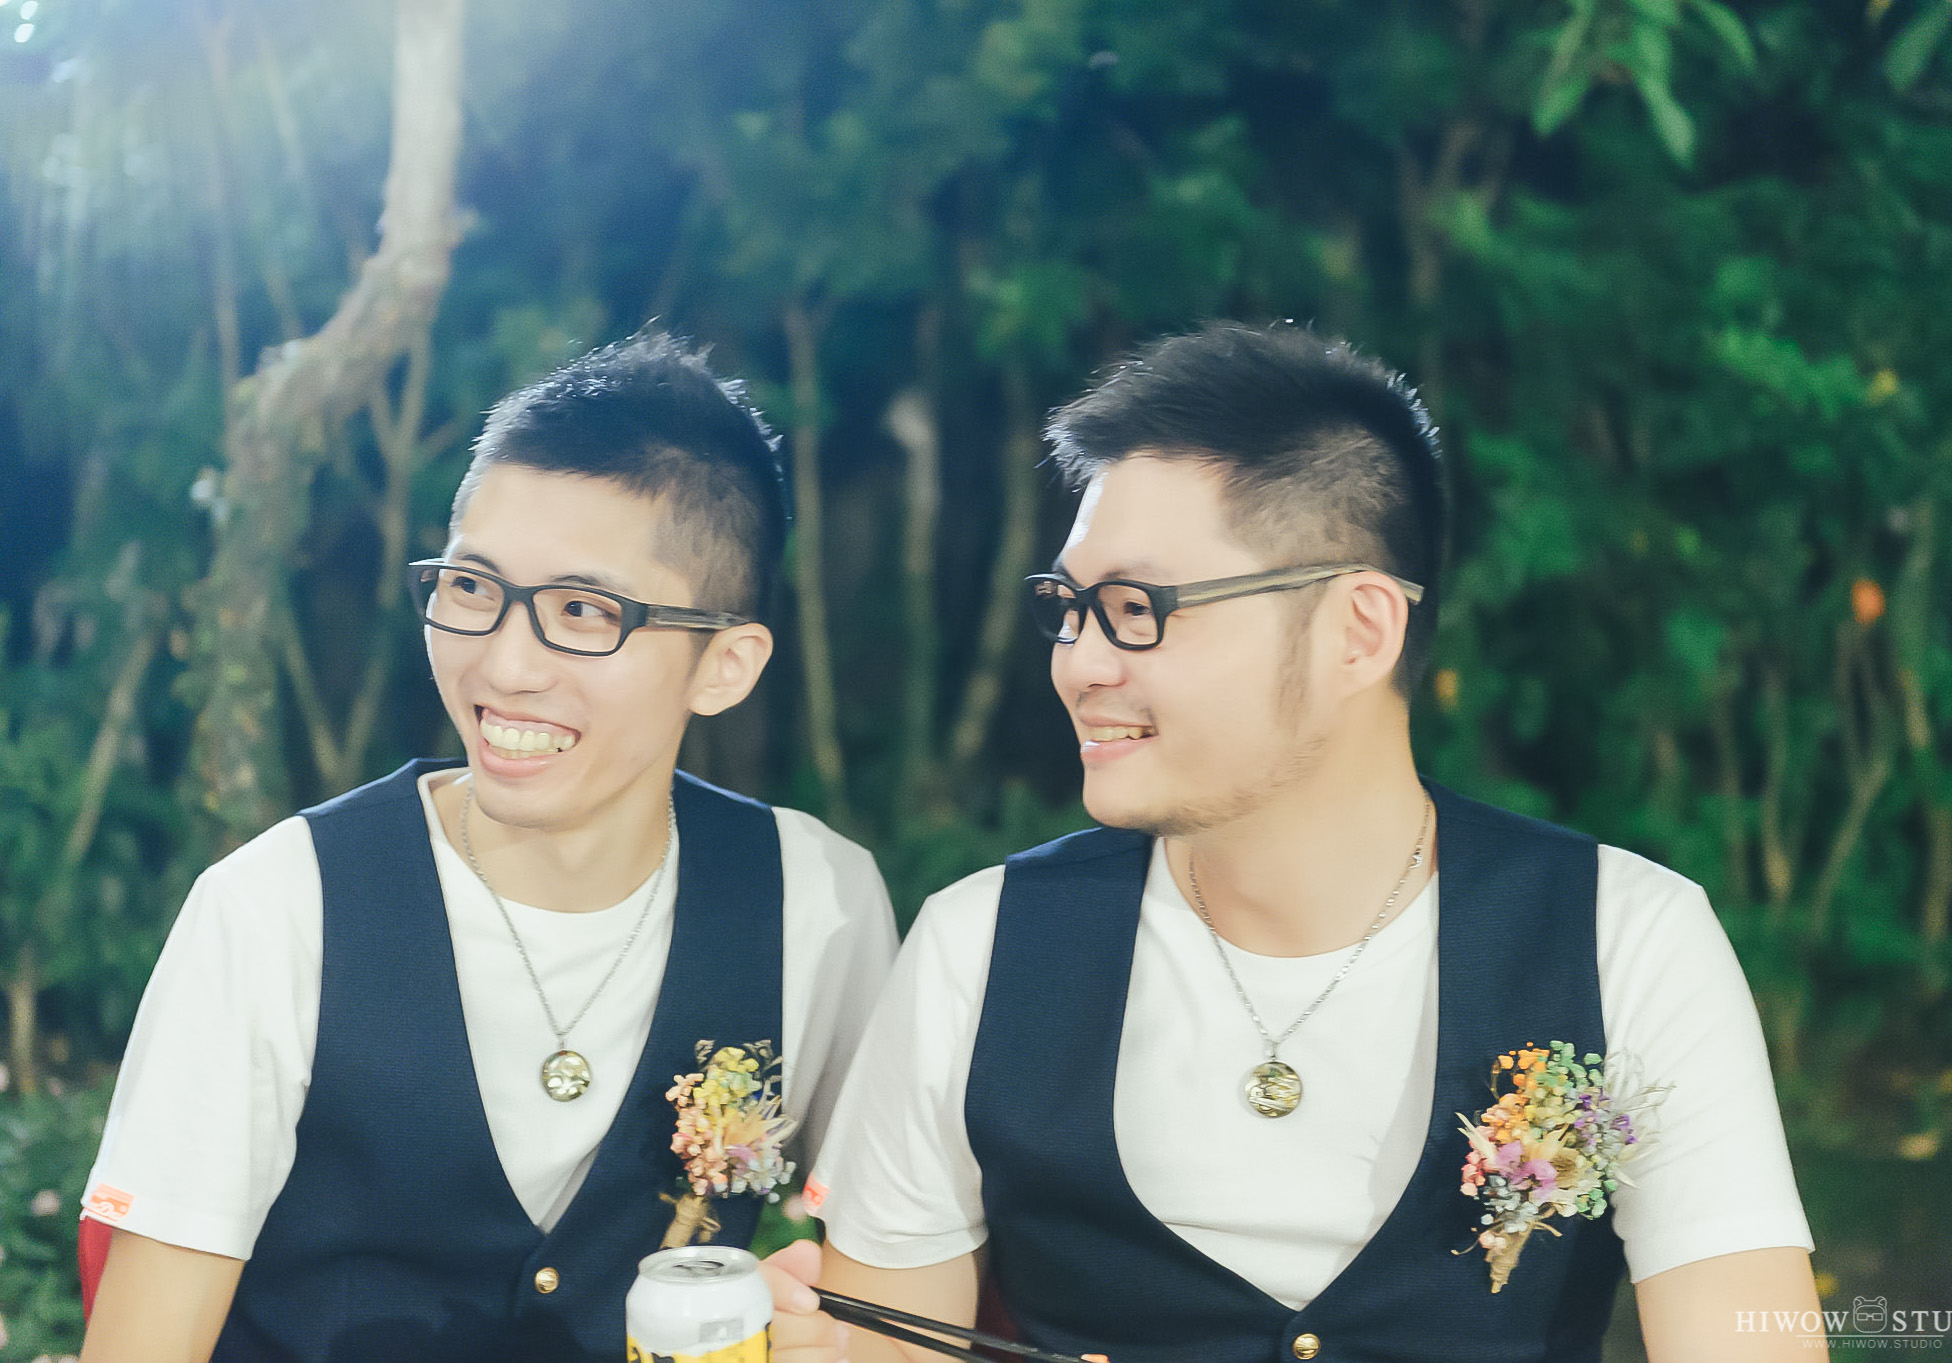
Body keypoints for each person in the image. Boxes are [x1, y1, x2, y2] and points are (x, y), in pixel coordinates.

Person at [765, 322, 1824, 1363]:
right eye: (1069, 606)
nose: (1079, 661)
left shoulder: (1623, 939)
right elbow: (888, 1344)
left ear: (1358, 631)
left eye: (1136, 607)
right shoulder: (982, 947)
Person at [78, 333, 898, 1363]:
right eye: (471, 587)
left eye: (583, 611)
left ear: (724, 665)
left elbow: (893, 1273)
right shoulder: (276, 907)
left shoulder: (814, 900)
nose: (504, 665)